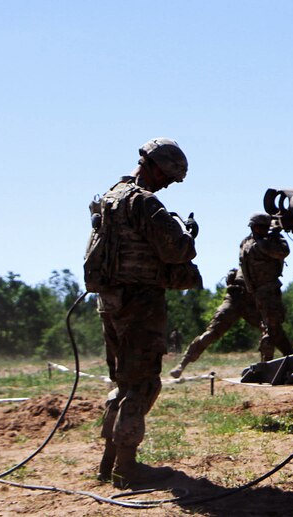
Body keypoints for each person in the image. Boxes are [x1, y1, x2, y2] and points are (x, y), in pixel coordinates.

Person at [84, 138, 201, 488]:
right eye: (166, 176)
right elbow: (177, 251)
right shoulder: (144, 203)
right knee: (143, 384)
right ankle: (127, 468)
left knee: (123, 383)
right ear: (153, 165)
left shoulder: (110, 197)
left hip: (111, 301)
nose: (166, 183)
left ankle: (109, 463)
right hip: (140, 303)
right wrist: (189, 234)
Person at [169, 268, 264, 378]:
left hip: (252, 301)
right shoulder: (246, 261)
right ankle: (182, 365)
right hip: (234, 298)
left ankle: (268, 366)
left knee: (271, 330)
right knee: (210, 334)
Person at [240, 213, 293, 361]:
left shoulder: (246, 243)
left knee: (274, 326)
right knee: (271, 327)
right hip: (267, 291)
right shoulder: (259, 245)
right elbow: (284, 251)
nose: (266, 230)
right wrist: (277, 234)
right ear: (255, 228)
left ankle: (290, 355)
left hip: (261, 291)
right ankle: (268, 361)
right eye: (263, 227)